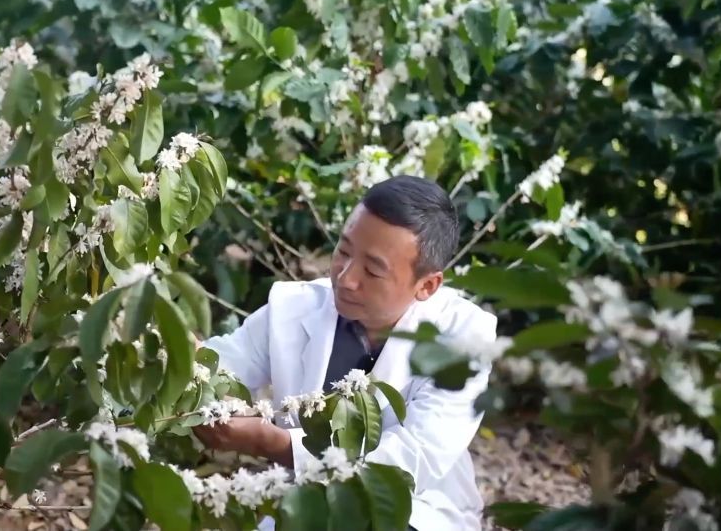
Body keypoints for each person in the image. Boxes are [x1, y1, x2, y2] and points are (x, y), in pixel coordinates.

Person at [194, 175, 496, 531]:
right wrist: (185, 361)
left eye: (373, 270)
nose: (346, 278)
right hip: (307, 504)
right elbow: (218, 369)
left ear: (427, 285)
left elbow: (409, 462)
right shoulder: (292, 307)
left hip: (416, 511)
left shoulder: (462, 340)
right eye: (344, 251)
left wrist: (275, 444)